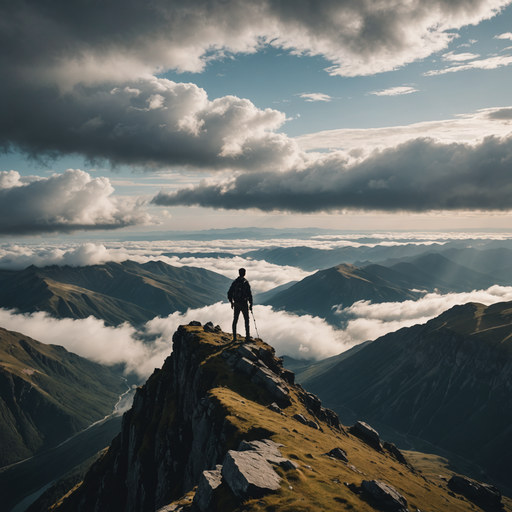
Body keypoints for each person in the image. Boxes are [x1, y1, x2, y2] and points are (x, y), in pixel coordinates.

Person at [227, 268, 253, 342]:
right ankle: (247, 337)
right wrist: (251, 305)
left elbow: (229, 293)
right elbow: (250, 294)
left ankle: (234, 338)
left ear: (239, 273)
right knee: (246, 321)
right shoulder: (246, 283)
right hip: (244, 304)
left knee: (235, 320)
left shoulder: (235, 282)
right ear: (244, 273)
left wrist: (232, 302)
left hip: (236, 304)